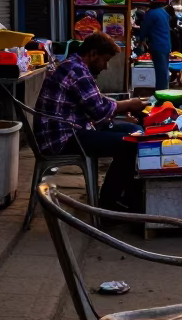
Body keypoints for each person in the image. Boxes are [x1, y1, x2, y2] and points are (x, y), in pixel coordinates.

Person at [34, 33, 146, 210]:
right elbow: (99, 111)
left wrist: (122, 110)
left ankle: (126, 195)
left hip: (74, 130)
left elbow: (95, 101)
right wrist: (129, 105)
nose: (106, 66)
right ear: (93, 54)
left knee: (135, 130)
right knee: (131, 144)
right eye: (105, 60)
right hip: (63, 138)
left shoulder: (76, 66)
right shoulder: (76, 70)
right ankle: (109, 204)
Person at [139, 1, 171, 90]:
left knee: (160, 71)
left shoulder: (151, 14)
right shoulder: (164, 12)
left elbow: (144, 28)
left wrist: (141, 39)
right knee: (164, 70)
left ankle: (161, 92)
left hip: (157, 45)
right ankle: (165, 90)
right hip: (166, 45)